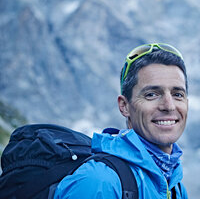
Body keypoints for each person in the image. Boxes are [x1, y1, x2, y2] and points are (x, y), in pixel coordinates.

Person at [54, 43, 189, 198]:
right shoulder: (99, 181)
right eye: (151, 94)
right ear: (124, 106)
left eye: (178, 94)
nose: (169, 106)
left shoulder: (175, 187)